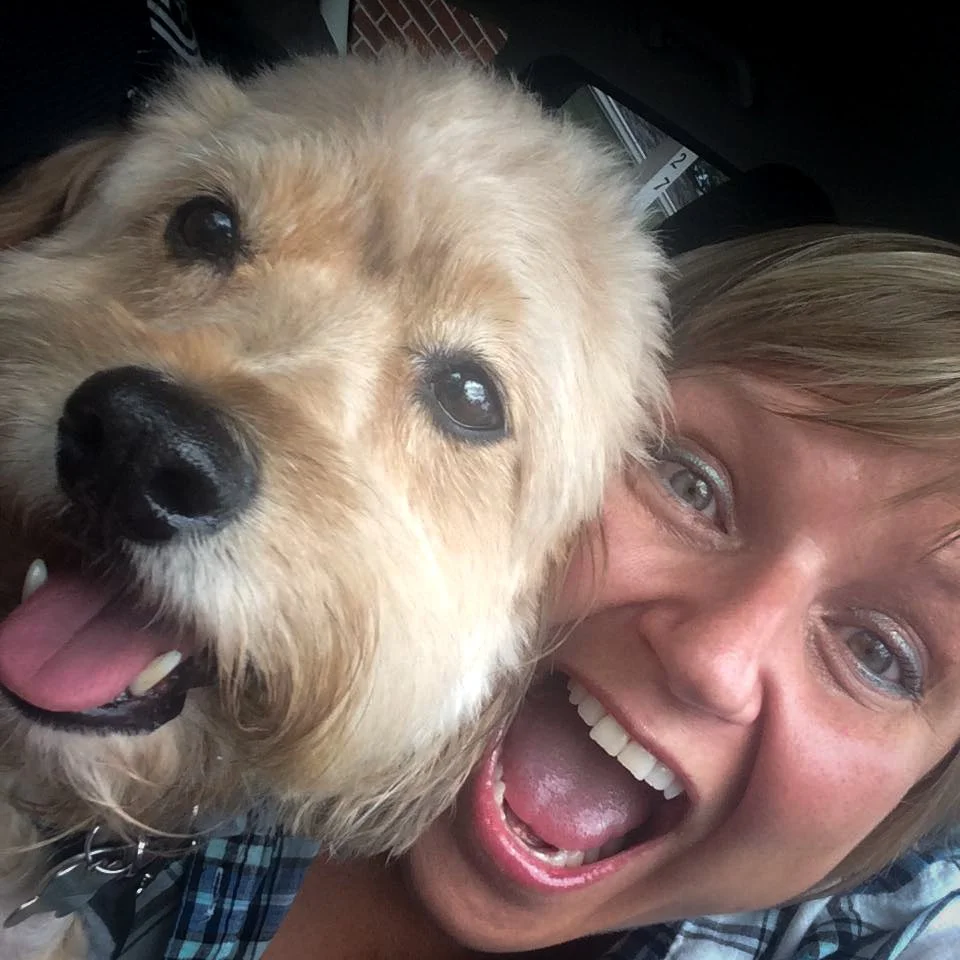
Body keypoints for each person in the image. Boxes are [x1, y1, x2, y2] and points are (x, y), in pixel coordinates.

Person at [117, 225, 959, 960]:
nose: (713, 660)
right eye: (689, 484)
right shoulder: (153, 606)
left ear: (921, 793)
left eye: (881, 656)